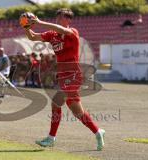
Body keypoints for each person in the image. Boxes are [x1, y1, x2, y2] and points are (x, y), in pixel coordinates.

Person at [22, 8, 105, 151]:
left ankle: (51, 138)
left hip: (73, 74)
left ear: (68, 20)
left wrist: (39, 21)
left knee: (56, 102)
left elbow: (62, 29)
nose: (58, 20)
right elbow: (33, 37)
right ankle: (98, 131)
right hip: (62, 75)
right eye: (57, 17)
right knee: (77, 112)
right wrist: (26, 27)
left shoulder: (73, 32)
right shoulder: (52, 35)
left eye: (61, 18)